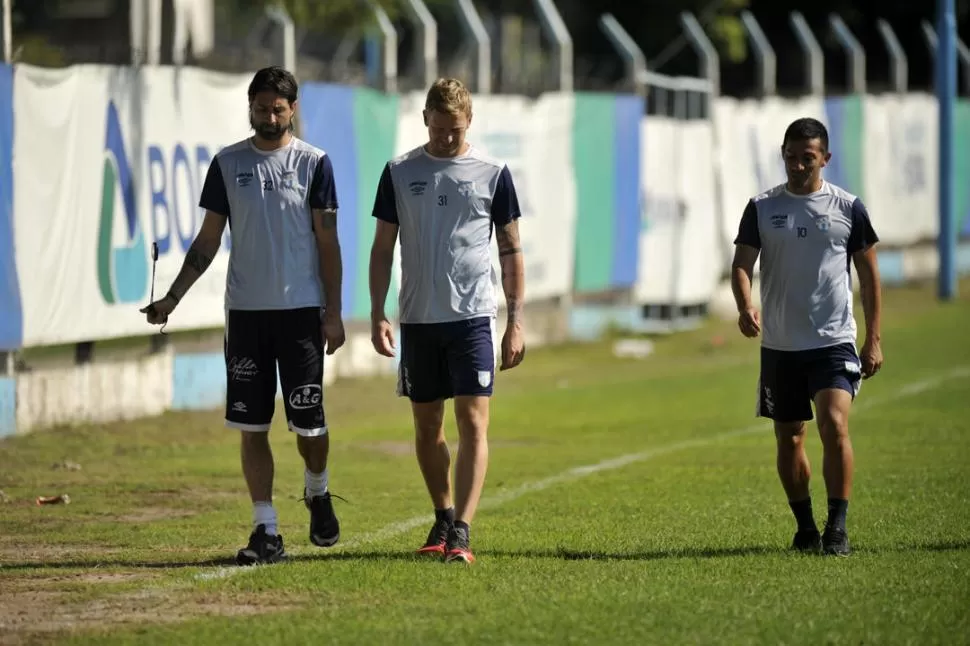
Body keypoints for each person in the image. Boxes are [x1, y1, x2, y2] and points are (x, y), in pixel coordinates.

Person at [141, 66, 346, 566]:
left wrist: (334, 313)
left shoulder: (314, 163)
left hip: (300, 314)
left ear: (293, 109)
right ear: (250, 107)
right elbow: (208, 241)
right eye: (261, 108)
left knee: (309, 428)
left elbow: (327, 241)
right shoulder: (227, 163)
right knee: (251, 427)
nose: (269, 116)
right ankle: (265, 529)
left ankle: (317, 491)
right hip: (247, 317)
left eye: (278, 108)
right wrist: (172, 298)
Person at [367, 78, 526, 564]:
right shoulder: (399, 172)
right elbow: (381, 248)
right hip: (418, 319)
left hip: (473, 317)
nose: (446, 139)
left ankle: (462, 530)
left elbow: (511, 249)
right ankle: (442, 513)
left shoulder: (493, 173)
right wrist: (378, 312)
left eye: (455, 131)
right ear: (424, 121)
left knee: (472, 422)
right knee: (427, 426)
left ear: (469, 122)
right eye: (439, 130)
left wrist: (516, 320)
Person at [731, 117, 883, 557]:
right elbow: (742, 265)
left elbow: (870, 277)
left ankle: (837, 528)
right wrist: (745, 305)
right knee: (790, 436)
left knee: (834, 424)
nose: (797, 166)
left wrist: (873, 338)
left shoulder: (847, 208)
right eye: (791, 157)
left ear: (825, 159)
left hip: (833, 339)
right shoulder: (761, 208)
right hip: (780, 345)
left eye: (808, 159)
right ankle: (805, 529)